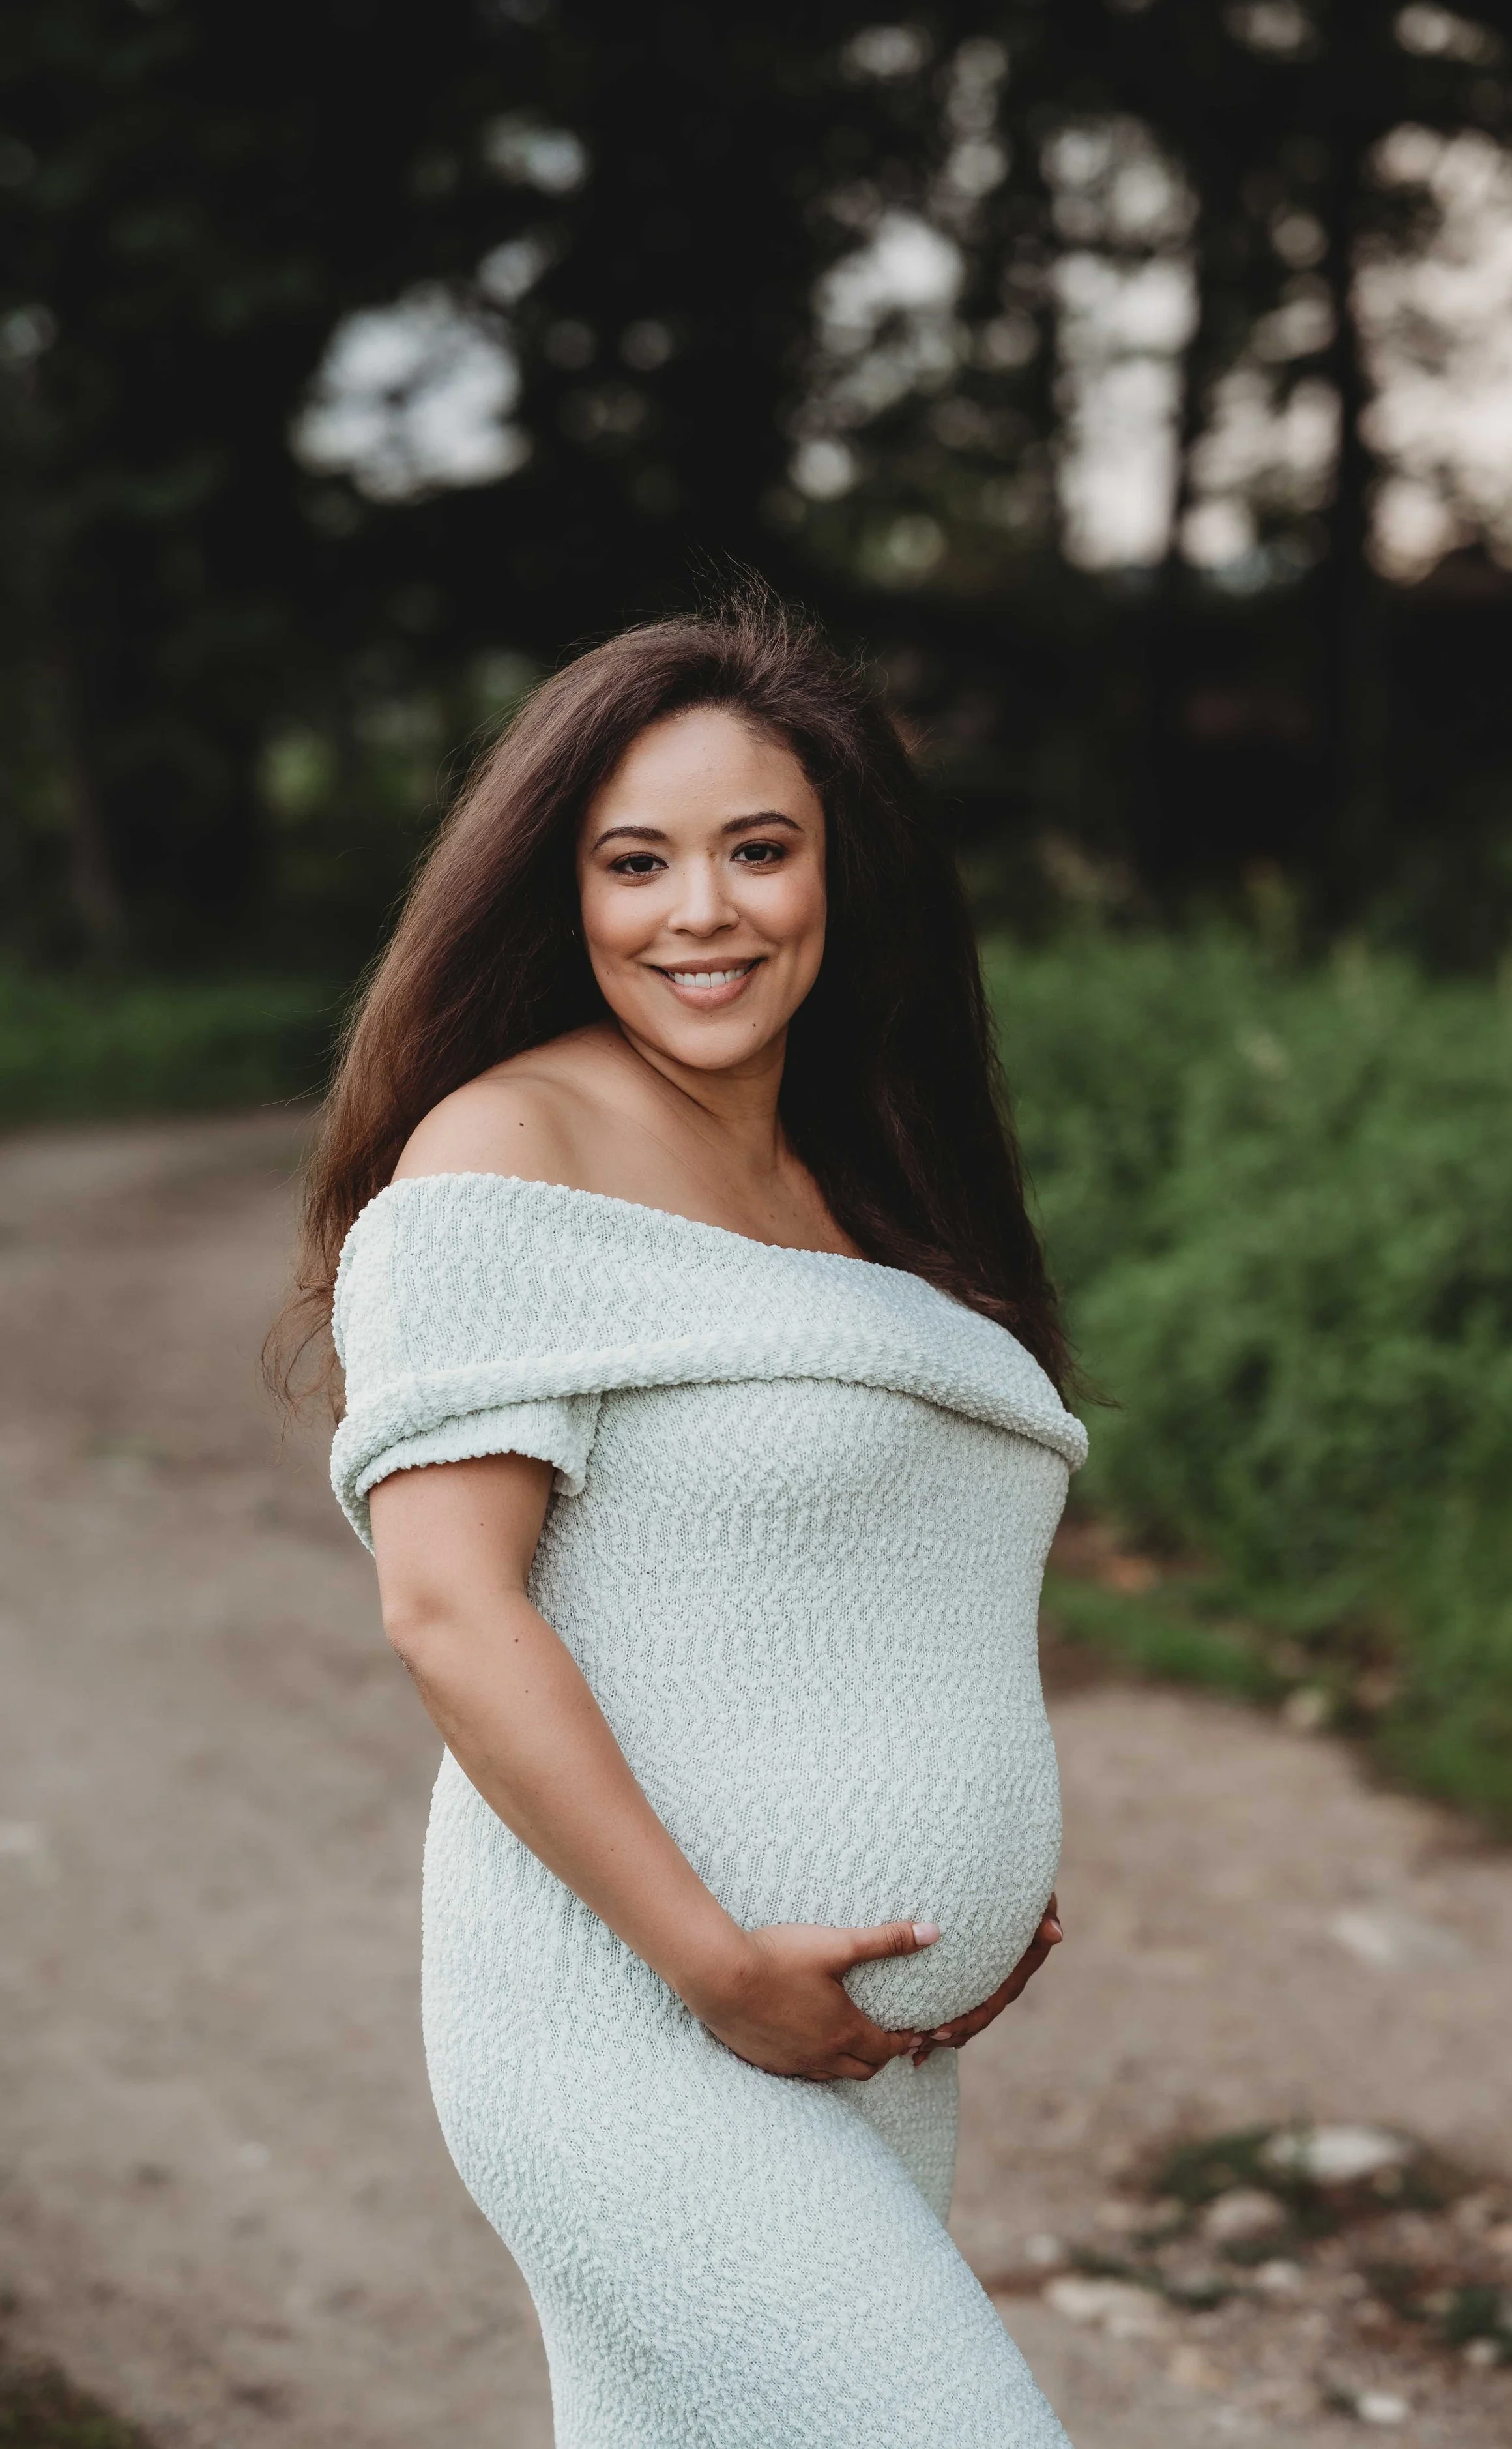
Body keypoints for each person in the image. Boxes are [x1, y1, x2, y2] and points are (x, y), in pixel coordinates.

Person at [276, 591, 1088, 2446]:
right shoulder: (508, 1151)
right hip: (636, 2021)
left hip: (852, 2032)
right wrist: (718, 1965)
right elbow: (451, 1611)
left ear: (838, 870)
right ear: (559, 891)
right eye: (634, 860)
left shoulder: (861, 1170)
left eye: (755, 849)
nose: (698, 911)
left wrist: (971, 1863)